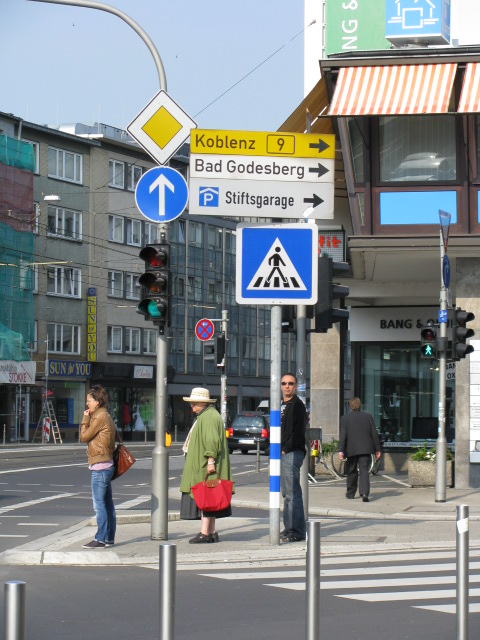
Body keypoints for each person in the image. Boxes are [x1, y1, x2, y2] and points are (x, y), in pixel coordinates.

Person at [179, 387, 233, 544]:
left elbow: (211, 440)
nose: (192, 406)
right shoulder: (209, 415)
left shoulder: (207, 417)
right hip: (205, 463)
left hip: (204, 465)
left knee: (206, 497)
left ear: (203, 403)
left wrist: (210, 461)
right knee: (210, 497)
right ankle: (212, 531)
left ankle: (204, 533)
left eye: (194, 403)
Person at [80, 385, 117, 548]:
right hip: (106, 464)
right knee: (107, 504)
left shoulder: (98, 417)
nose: (87, 403)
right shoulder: (106, 415)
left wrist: (85, 419)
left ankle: (100, 538)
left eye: (89, 400)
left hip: (100, 466)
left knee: (99, 504)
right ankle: (109, 538)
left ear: (97, 401)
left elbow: (84, 437)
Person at [339, 397, 382, 503]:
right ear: (360, 405)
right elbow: (374, 434)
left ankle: (350, 493)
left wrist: (341, 450)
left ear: (350, 406)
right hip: (365, 448)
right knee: (364, 470)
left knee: (351, 471)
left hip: (351, 449)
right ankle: (364, 493)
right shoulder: (368, 417)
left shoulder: (345, 418)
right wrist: (378, 449)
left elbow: (343, 436)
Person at [280, 372, 307, 543]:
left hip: (291, 452)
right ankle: (289, 527)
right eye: (284, 383)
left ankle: (296, 530)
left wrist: (285, 448)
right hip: (284, 453)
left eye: (290, 383)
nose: (287, 386)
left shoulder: (297, 405)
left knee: (292, 493)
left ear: (296, 386)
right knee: (287, 493)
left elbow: (297, 432)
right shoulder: (282, 404)